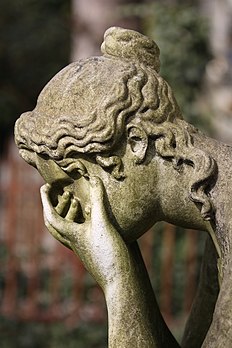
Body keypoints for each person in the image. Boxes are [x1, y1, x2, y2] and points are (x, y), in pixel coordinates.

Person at [15, 27, 232, 347]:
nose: (73, 205)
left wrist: (116, 284)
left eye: (73, 178)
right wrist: (123, 267)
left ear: (136, 142)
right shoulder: (219, 216)